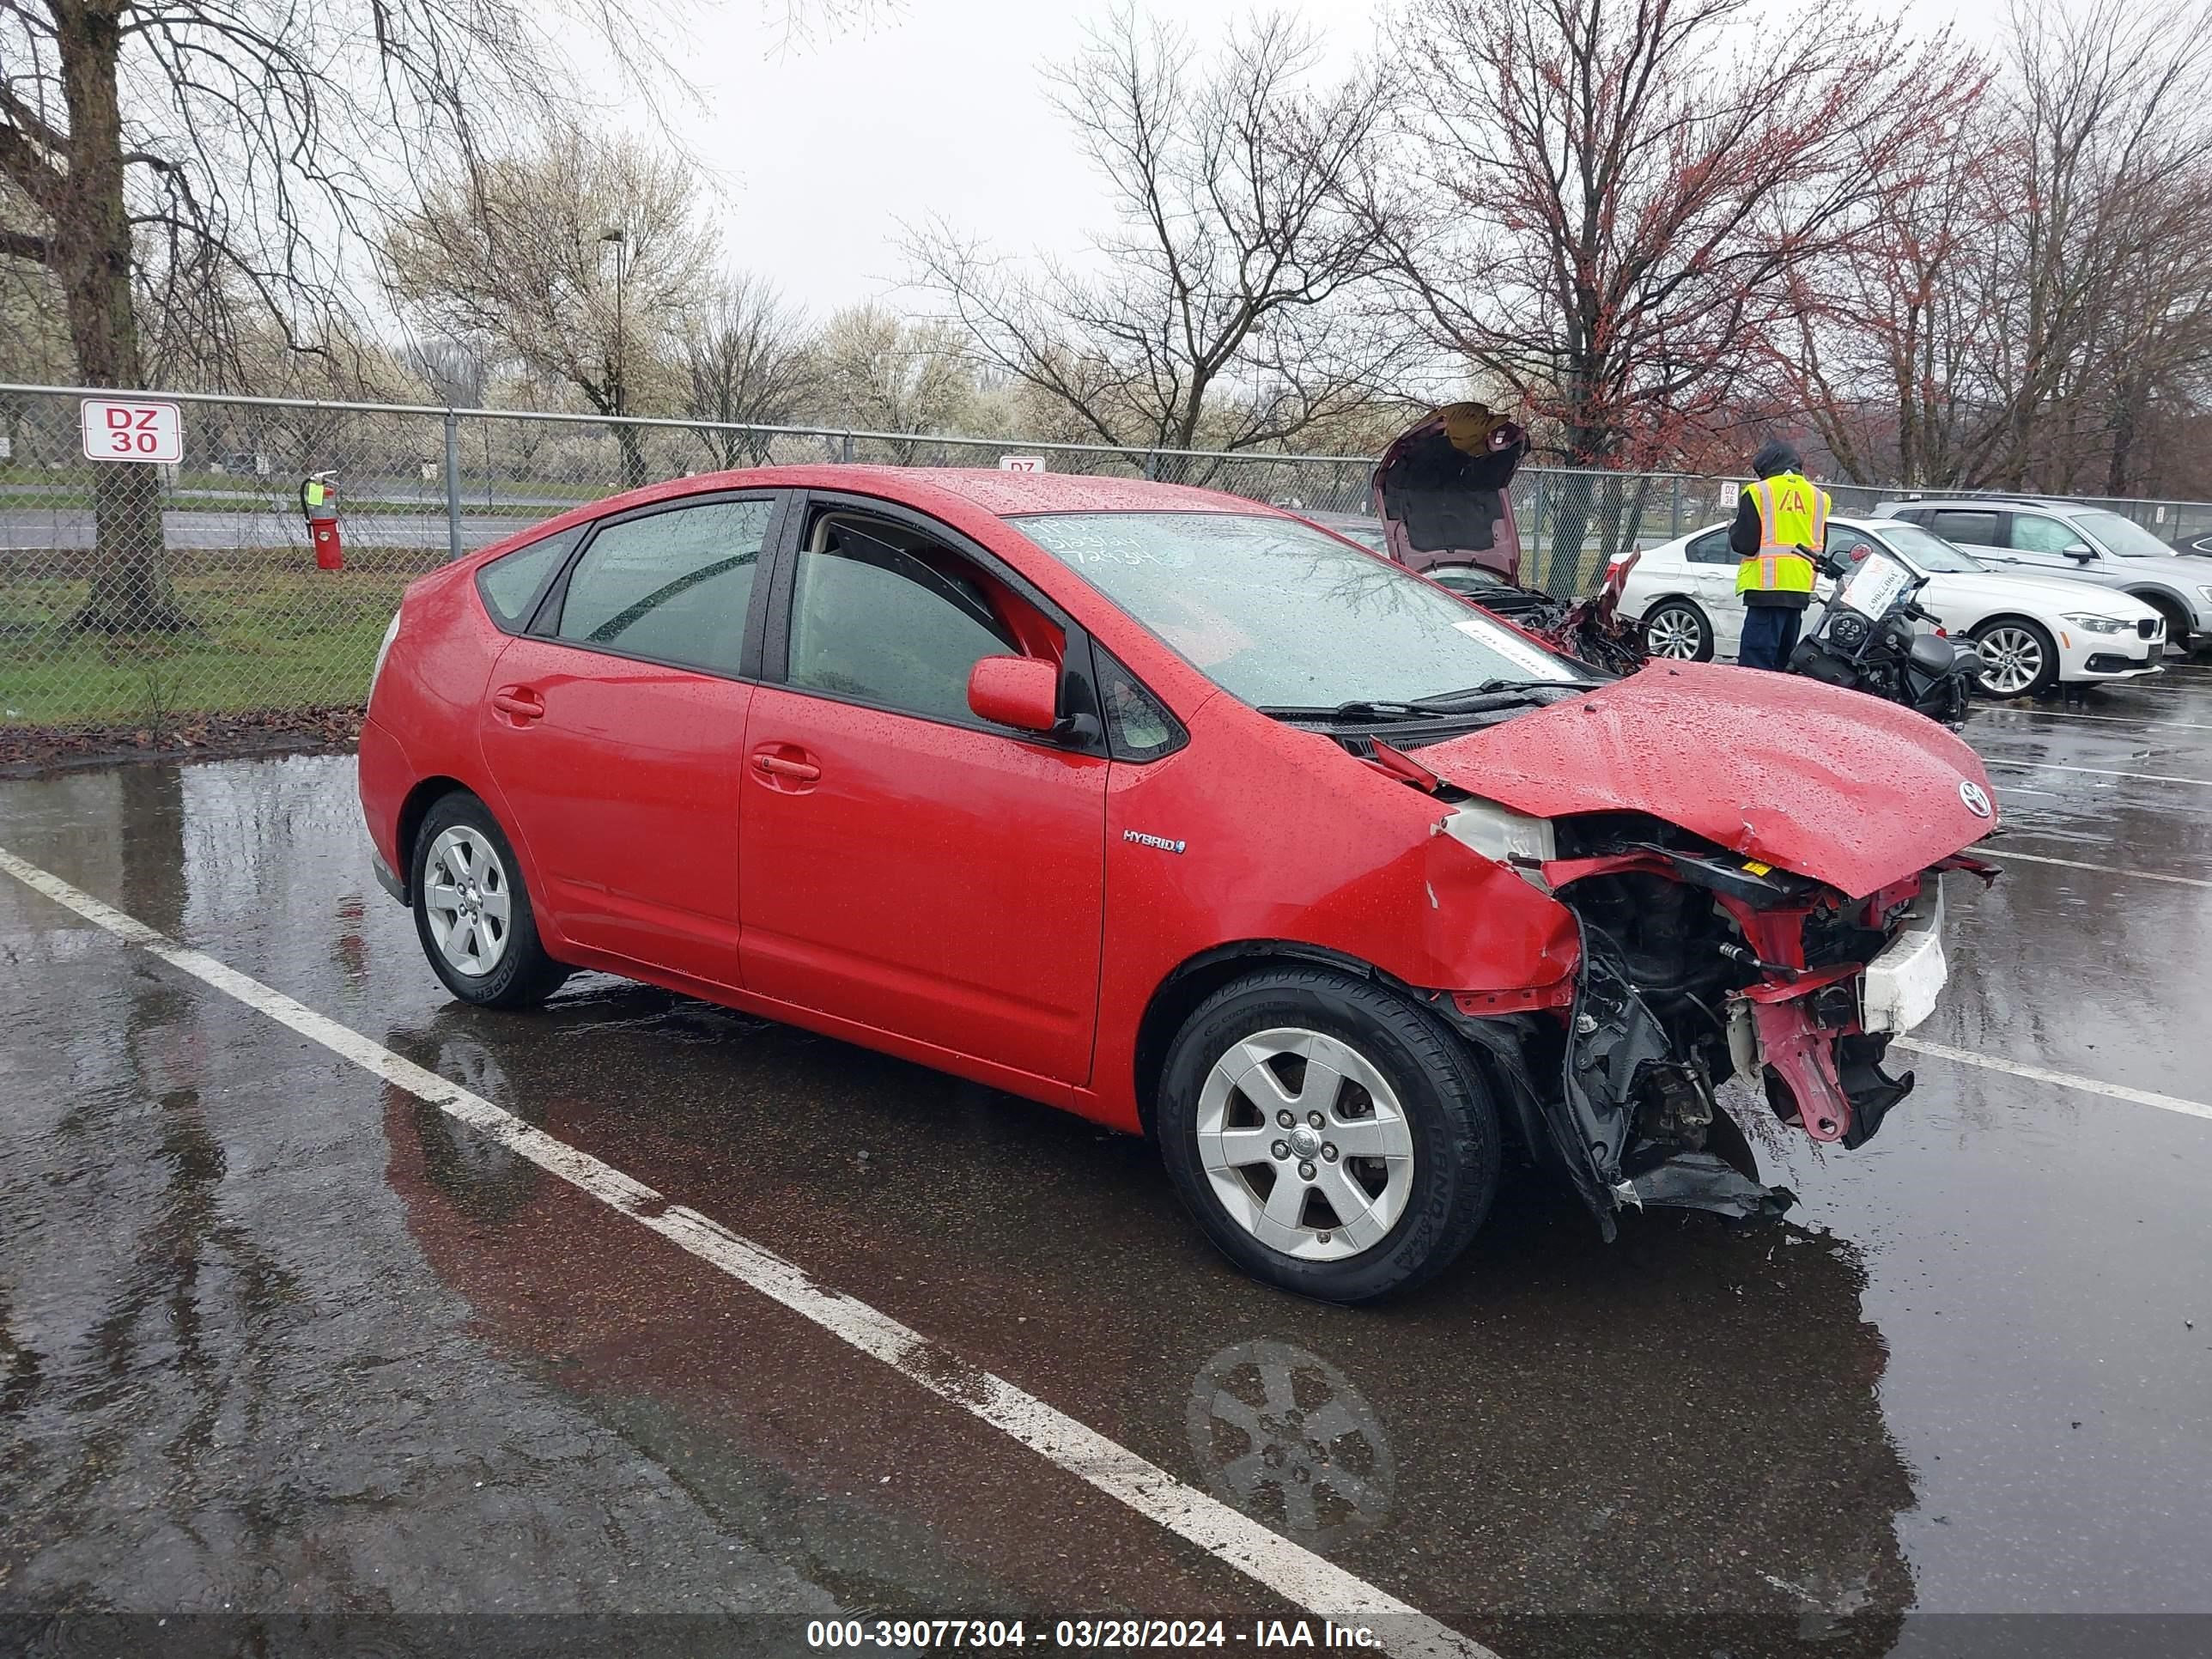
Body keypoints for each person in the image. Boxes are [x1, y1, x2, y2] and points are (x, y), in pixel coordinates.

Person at [1729, 438, 1828, 671]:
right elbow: (1821, 542)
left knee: (1756, 665)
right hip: (1800, 589)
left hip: (1766, 589)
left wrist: (1733, 530)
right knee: (1782, 664)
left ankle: (1753, 706)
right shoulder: (1818, 497)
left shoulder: (1759, 492)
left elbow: (1745, 544)